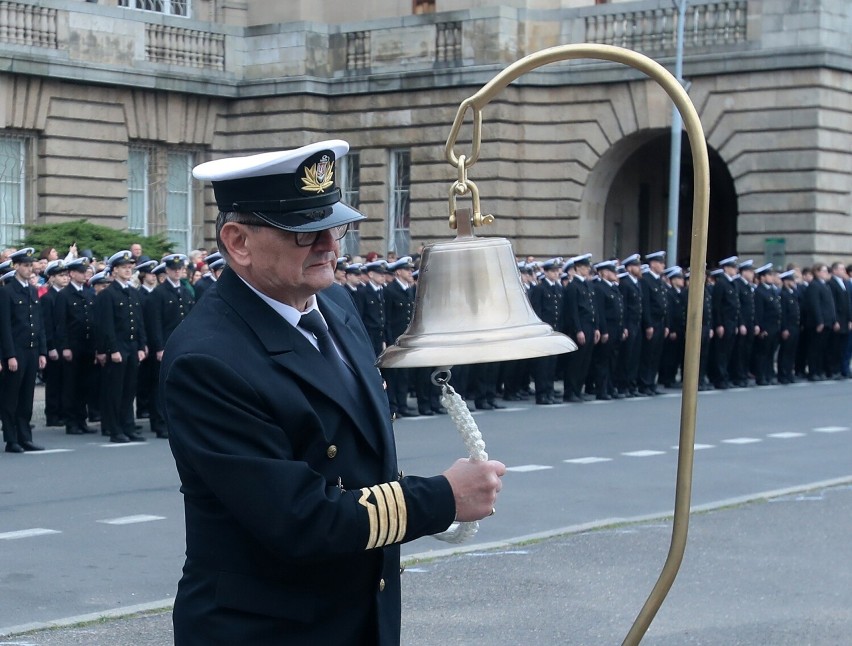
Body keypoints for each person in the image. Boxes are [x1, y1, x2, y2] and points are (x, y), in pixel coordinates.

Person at [162, 140, 504, 645]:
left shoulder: (336, 306)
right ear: (238, 241)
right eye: (304, 232)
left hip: (359, 611)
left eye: (335, 225)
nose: (329, 244)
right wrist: (441, 498)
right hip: (266, 629)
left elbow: (358, 458)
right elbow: (297, 518)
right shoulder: (208, 359)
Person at [94, 250, 148, 443]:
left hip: (132, 346)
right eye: (124, 267)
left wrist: (142, 345)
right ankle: (114, 428)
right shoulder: (108, 294)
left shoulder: (132, 292)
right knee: (114, 391)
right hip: (118, 348)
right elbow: (107, 325)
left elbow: (138, 322)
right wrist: (112, 349)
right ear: (114, 270)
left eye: (129, 267)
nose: (128, 270)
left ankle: (128, 426)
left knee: (129, 390)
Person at [0, 248, 47, 452]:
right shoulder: (7, 291)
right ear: (16, 266)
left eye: (31, 265)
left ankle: (24, 436)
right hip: (16, 351)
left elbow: (38, 323)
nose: (30, 269)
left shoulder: (32, 290)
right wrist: (9, 355)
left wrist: (42, 351)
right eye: (26, 266)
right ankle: (11, 439)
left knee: (27, 397)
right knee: (12, 397)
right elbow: (5, 327)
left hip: (31, 350)